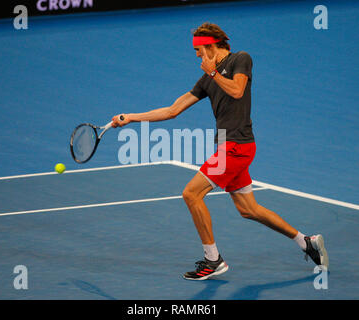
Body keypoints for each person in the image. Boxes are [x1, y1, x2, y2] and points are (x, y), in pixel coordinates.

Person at [111, 22, 329, 280]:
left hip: (237, 146)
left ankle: (213, 260)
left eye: (199, 50)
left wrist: (214, 73)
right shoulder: (207, 78)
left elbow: (237, 90)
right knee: (249, 209)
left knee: (191, 194)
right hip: (230, 145)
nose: (197, 56)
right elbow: (172, 110)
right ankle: (306, 242)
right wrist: (131, 118)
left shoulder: (240, 59)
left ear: (212, 46)